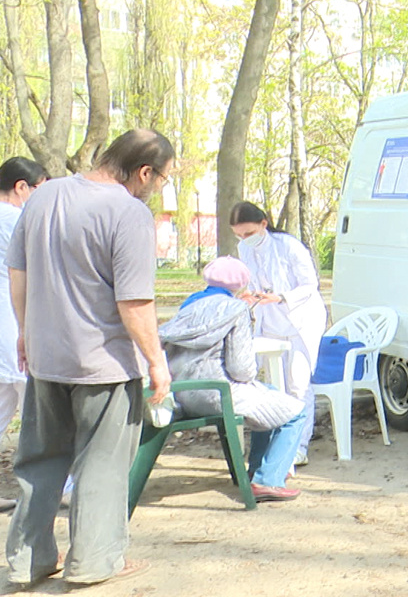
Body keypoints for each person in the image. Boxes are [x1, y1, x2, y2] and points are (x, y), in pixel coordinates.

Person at [4, 129, 173, 588]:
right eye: (160, 180)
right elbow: (134, 303)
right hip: (103, 364)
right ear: (144, 172)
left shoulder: (45, 195)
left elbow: (18, 272)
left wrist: (25, 331)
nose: (158, 189)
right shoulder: (129, 213)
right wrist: (157, 362)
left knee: (39, 461)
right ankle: (94, 561)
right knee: (101, 463)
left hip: (45, 355)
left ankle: (26, 560)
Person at [158, 256, 305, 501]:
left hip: (183, 392)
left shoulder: (188, 306)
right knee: (294, 411)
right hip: (219, 393)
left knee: (269, 396)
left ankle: (257, 472)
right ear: (240, 285)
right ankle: (267, 479)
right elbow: (242, 370)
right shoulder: (236, 309)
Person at [230, 202, 326, 467]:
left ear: (263, 224)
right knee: (273, 381)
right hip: (269, 318)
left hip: (300, 320)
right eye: (239, 236)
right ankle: (279, 438)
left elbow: (310, 285)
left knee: (298, 383)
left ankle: (299, 446)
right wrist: (250, 295)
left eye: (248, 234)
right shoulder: (243, 250)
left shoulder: (289, 246)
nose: (244, 240)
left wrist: (281, 296)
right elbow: (251, 281)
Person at [0, 158, 49, 514]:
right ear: (21, 187)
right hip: (14, 324)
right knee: (40, 407)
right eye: (39, 190)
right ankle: (61, 484)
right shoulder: (18, 221)